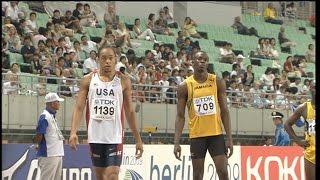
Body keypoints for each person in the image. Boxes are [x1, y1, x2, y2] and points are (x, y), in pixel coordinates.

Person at [69, 46, 143, 180]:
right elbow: (79, 107)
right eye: (104, 58)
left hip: (115, 137)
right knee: (101, 177)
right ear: (98, 60)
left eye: (110, 58)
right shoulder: (88, 79)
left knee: (112, 175)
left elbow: (130, 111)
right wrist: (73, 132)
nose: (107, 61)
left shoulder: (123, 80)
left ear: (115, 60)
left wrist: (137, 138)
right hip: (95, 136)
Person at [174, 51, 233, 180]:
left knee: (223, 172)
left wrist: (229, 138)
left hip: (216, 135)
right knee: (197, 175)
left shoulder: (217, 81)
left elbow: (225, 111)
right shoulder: (184, 86)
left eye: (205, 60)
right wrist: (176, 142)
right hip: (197, 136)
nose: (202, 62)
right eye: (199, 59)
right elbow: (180, 116)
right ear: (192, 62)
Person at [284, 83, 315, 180]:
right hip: (311, 153)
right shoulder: (304, 108)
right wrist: (298, 141)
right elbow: (287, 124)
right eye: (314, 87)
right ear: (310, 89)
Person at [33, 92, 65, 180]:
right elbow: (39, 134)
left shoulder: (51, 116)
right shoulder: (45, 117)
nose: (59, 104)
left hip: (56, 153)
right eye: (57, 101)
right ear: (52, 103)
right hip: (49, 154)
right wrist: (37, 144)